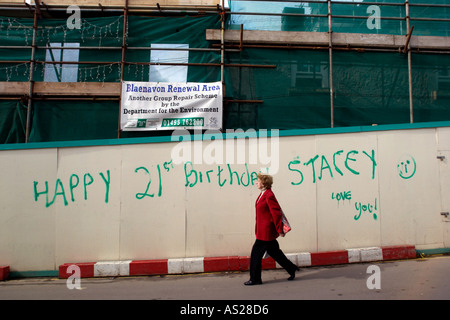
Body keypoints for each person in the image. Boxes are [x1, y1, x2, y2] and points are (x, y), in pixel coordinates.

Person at [244, 173, 299, 286]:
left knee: (255, 255)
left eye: (258, 181)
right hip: (262, 230)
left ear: (264, 183)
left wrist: (280, 229)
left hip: (266, 232)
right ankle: (291, 268)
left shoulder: (269, 195)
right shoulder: (263, 194)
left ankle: (255, 279)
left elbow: (276, 213)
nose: (256, 182)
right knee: (275, 253)